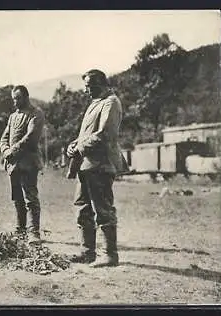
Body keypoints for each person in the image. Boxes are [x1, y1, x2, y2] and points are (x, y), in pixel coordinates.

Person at [66, 69, 129, 267]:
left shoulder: (111, 102)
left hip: (101, 164)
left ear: (100, 84)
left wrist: (79, 147)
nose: (86, 90)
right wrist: (74, 144)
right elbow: (87, 134)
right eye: (85, 86)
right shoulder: (95, 103)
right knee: (83, 207)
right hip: (86, 164)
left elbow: (104, 134)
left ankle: (109, 255)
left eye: (89, 86)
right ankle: (88, 252)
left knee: (103, 208)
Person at [0, 85, 45, 244]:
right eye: (13, 99)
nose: (15, 102)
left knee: (30, 198)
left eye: (18, 98)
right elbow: (4, 138)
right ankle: (20, 230)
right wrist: (6, 151)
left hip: (28, 163)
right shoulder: (12, 117)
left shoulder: (36, 114)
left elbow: (31, 137)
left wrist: (13, 151)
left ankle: (34, 232)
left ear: (26, 97)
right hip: (12, 164)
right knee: (17, 197)